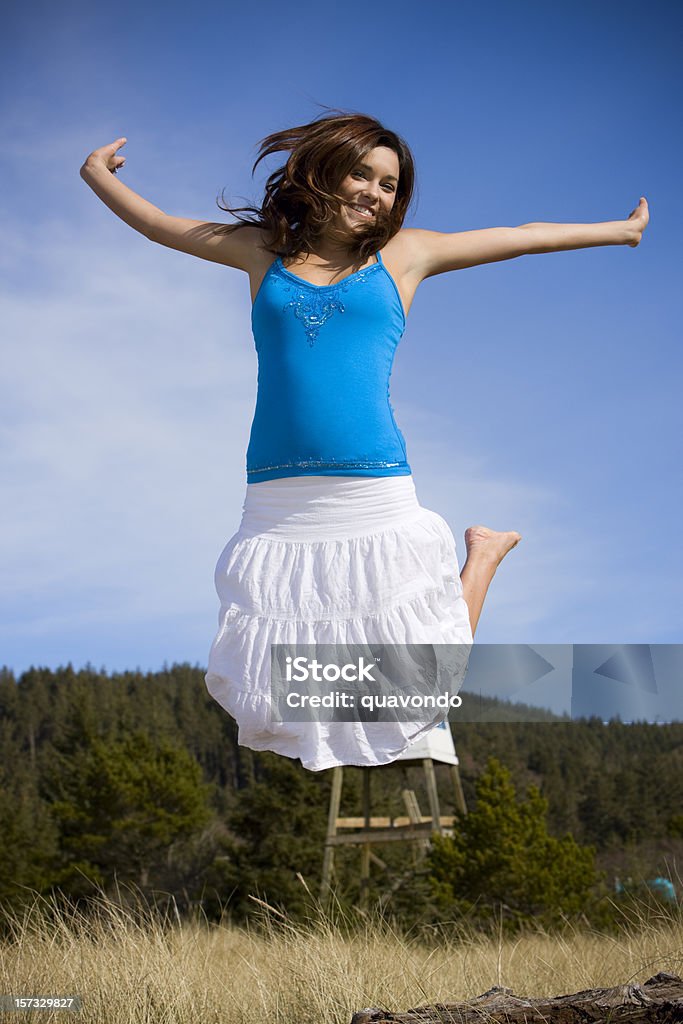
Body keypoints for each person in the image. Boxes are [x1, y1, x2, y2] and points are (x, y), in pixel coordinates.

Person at [79, 110, 649, 772]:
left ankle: (483, 557)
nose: (374, 193)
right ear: (324, 173)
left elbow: (522, 237)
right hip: (276, 496)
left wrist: (620, 231)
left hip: (371, 483)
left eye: (388, 184)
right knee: (277, 677)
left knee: (421, 679)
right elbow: (159, 226)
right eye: (361, 173)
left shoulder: (402, 256)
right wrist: (96, 174)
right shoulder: (261, 250)